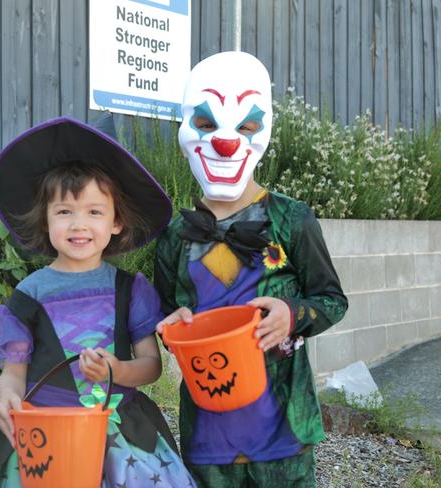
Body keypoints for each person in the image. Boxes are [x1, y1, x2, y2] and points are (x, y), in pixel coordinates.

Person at [0, 116, 196, 487]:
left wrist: (116, 369)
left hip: (117, 429)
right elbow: (14, 373)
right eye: (64, 212)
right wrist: (7, 398)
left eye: (94, 212)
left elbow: (151, 366)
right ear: (46, 220)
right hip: (49, 431)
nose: (78, 225)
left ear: (116, 222)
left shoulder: (129, 289)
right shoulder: (30, 294)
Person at [154, 51, 348, 487]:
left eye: (245, 126)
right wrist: (171, 329)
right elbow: (165, 321)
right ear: (186, 131)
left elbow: (332, 301)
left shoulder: (292, 220)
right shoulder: (173, 236)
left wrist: (292, 315)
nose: (225, 141)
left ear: (264, 131)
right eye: (206, 125)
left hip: (283, 431)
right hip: (210, 435)